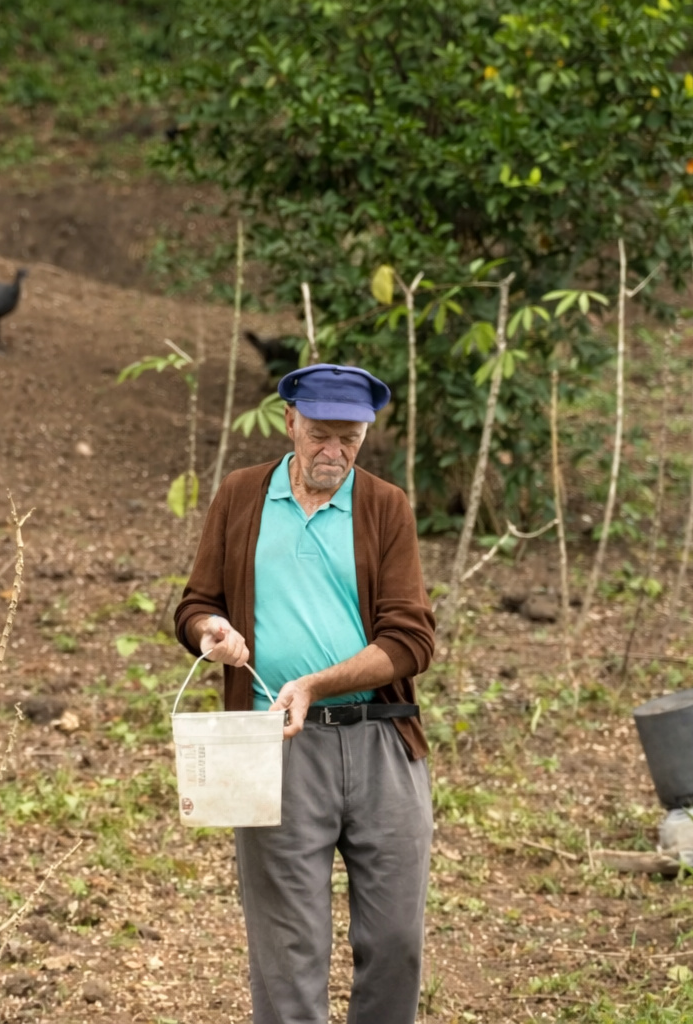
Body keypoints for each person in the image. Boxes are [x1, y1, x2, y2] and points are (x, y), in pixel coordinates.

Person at [174, 362, 437, 1024]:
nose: (334, 453)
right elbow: (196, 604)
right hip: (277, 746)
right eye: (321, 435)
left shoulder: (384, 506)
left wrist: (316, 683)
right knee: (288, 950)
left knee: (395, 942)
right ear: (289, 422)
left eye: (350, 439)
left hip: (382, 742)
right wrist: (214, 631)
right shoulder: (241, 496)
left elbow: (412, 642)